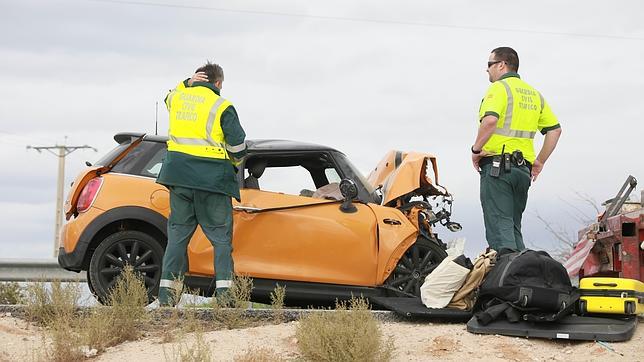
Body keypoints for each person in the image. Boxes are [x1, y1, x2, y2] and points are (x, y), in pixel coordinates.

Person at [156, 61, 247, 306]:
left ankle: (166, 297)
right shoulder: (222, 105)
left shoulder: (179, 97)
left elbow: (168, 97)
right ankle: (226, 298)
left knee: (177, 238)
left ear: (197, 78)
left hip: (178, 179)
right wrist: (234, 163)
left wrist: (186, 82)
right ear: (217, 83)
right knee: (220, 240)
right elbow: (238, 146)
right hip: (212, 182)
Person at [470, 47, 562, 252]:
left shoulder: (499, 88)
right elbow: (554, 131)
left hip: (497, 169)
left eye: (489, 65)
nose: (487, 70)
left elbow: (490, 121)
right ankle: (523, 277)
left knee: (500, 232)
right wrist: (540, 162)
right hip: (522, 172)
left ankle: (506, 281)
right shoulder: (534, 95)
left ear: (501, 65)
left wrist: (476, 151)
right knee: (512, 228)